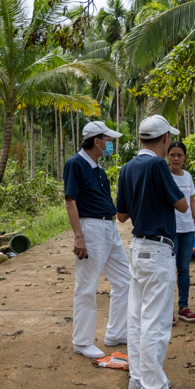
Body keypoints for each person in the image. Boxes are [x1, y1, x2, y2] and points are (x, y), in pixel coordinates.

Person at [116, 115, 189, 389]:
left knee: (136, 320)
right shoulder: (158, 165)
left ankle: (138, 380)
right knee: (155, 323)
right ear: (165, 139)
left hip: (136, 248)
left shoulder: (127, 168)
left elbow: (121, 215)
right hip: (157, 250)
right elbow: (181, 205)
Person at [63, 121, 130, 359]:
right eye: (108, 140)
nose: (110, 144)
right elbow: (71, 201)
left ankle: (116, 332)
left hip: (108, 227)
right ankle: (81, 341)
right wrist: (78, 236)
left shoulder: (98, 168)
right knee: (87, 286)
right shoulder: (76, 164)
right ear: (97, 141)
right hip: (90, 227)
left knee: (125, 279)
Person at [167, 141, 195, 323]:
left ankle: (183, 307)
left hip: (187, 229)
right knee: (167, 270)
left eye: (179, 155)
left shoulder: (188, 176)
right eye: (172, 155)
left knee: (184, 269)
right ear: (167, 156)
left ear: (185, 158)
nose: (176, 158)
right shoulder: (164, 175)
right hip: (170, 230)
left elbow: (192, 202)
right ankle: (167, 311)